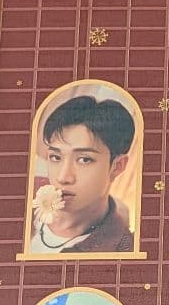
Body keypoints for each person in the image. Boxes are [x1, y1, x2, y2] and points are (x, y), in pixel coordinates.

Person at [29, 95, 136, 253]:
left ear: (117, 167)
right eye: (55, 157)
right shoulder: (28, 192)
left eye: (84, 159)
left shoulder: (121, 248)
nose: (63, 178)